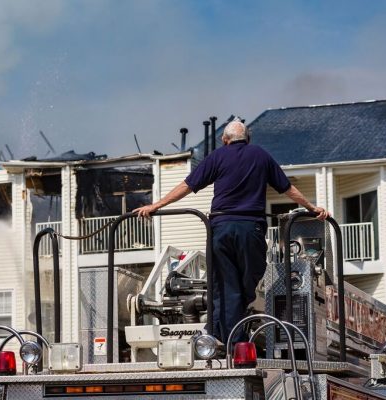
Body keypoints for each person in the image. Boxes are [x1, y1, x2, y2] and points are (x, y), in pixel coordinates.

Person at [133, 118, 329, 344]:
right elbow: (287, 188)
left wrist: (155, 205)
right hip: (250, 229)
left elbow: (186, 186)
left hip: (221, 228)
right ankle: (233, 334)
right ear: (247, 139)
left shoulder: (217, 156)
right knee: (249, 279)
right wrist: (312, 208)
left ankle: (221, 334)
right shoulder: (260, 155)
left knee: (226, 286)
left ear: (225, 140)